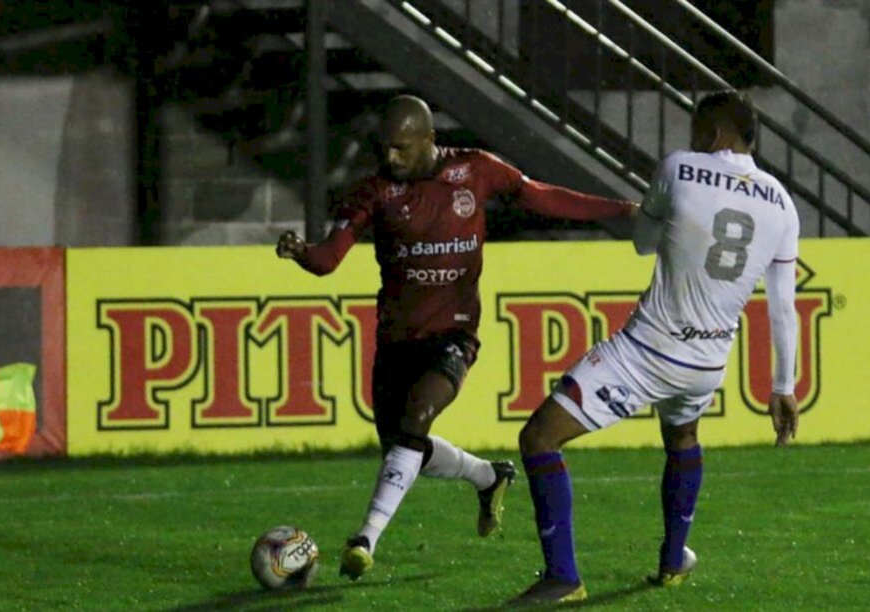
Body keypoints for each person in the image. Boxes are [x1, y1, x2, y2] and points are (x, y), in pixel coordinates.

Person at [276, 95, 636, 580]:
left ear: (429, 140)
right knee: (403, 448)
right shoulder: (374, 192)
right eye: (383, 149)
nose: (391, 159)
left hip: (454, 334)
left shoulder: (475, 170)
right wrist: (301, 252)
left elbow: (542, 196)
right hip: (396, 339)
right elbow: (327, 260)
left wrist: (617, 209)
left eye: (401, 149)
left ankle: (365, 538)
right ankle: (488, 477)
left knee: (418, 416)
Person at [511, 91, 800, 604]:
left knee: (539, 439)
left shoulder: (680, 168)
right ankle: (672, 562)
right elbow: (782, 307)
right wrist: (783, 386)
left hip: (648, 352)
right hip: (708, 362)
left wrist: (657, 218)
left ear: (710, 135)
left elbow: (643, 243)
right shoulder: (782, 203)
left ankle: (563, 576)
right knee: (683, 437)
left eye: (695, 132)